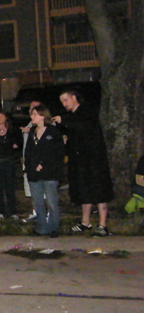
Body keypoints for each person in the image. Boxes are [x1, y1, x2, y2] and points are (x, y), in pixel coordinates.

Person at [53, 89, 114, 236]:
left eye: (66, 100)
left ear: (74, 98)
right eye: (62, 101)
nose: (64, 104)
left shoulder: (87, 112)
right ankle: (85, 222)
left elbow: (84, 127)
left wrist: (64, 121)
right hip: (79, 159)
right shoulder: (73, 116)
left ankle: (102, 224)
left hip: (94, 159)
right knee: (83, 188)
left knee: (98, 189)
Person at [25, 105, 65, 237]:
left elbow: (58, 153)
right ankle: (42, 228)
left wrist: (44, 164)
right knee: (38, 202)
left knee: (52, 201)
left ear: (43, 116)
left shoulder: (53, 132)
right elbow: (28, 152)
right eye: (31, 114)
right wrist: (32, 165)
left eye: (35, 114)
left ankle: (54, 227)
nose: (32, 117)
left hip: (50, 173)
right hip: (34, 173)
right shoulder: (32, 132)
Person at [20, 100, 43, 223]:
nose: (31, 109)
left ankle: (45, 213)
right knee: (32, 188)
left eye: (35, 107)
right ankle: (35, 212)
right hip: (29, 162)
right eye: (31, 107)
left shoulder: (45, 125)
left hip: (40, 164)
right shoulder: (30, 123)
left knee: (43, 190)